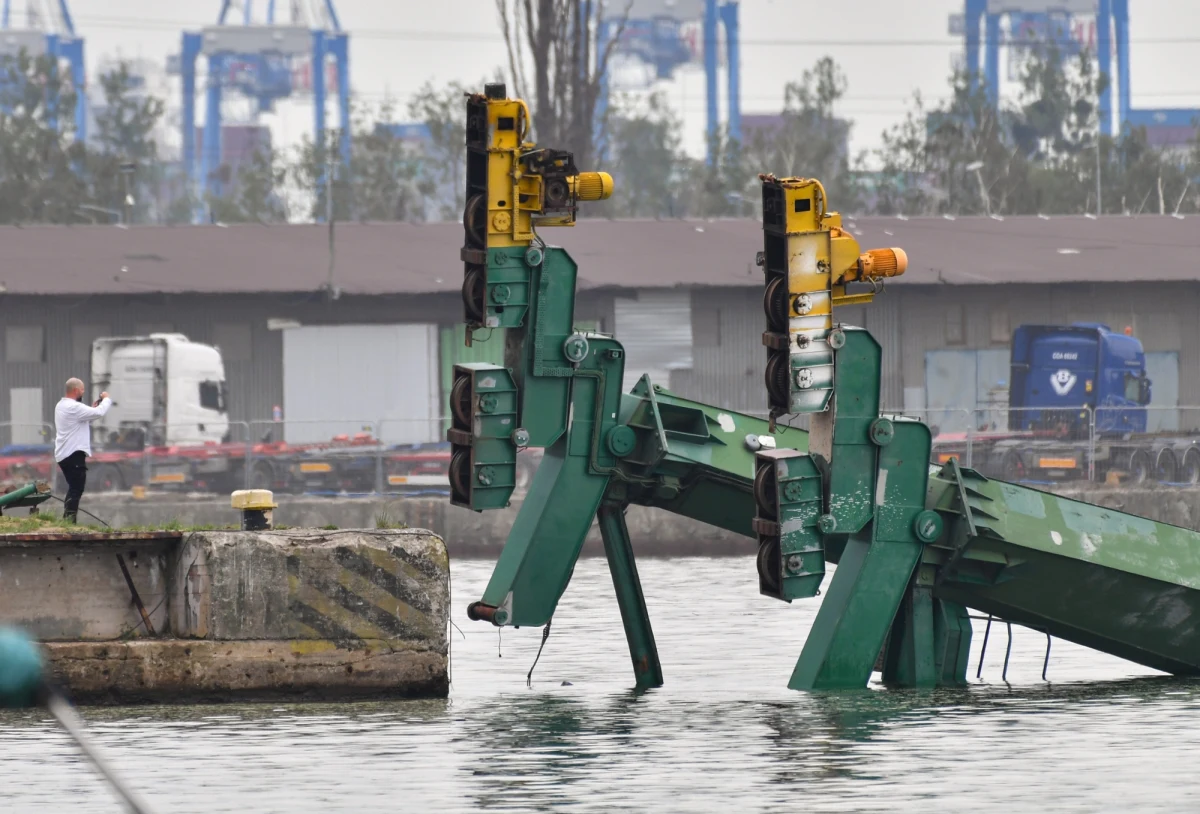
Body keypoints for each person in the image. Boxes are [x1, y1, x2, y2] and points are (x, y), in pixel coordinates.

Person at [54, 378, 111, 524]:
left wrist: (91, 410)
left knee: (74, 487)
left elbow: (82, 420)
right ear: (76, 390)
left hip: (64, 454)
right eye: (82, 389)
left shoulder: (61, 405)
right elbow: (100, 412)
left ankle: (68, 520)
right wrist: (106, 399)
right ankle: (69, 521)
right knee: (76, 488)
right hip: (73, 454)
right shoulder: (73, 407)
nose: (83, 392)